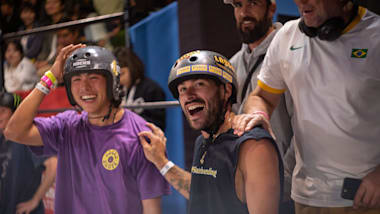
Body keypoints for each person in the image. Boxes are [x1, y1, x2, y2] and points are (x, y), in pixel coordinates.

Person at [232, 0, 380, 213]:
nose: (300, 2)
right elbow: (262, 96)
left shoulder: (375, 35)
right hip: (307, 198)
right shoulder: (287, 37)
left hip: (367, 197)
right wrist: (258, 114)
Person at [4, 44, 170, 214]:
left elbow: (152, 210)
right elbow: (13, 131)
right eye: (76, 79)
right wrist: (51, 77)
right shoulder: (66, 126)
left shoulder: (140, 135)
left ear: (112, 82)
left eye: (93, 78)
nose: (84, 87)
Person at [139, 50, 283, 214]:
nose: (189, 95)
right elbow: (202, 195)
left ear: (226, 91)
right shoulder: (203, 141)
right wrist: (161, 162)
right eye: (182, 89)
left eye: (200, 84)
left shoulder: (253, 145)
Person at [224, 0, 295, 211]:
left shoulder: (292, 53)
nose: (244, 12)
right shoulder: (232, 65)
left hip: (289, 192)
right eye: (237, 5)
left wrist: (285, 183)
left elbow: (306, 128)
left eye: (252, 3)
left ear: (271, 8)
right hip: (248, 192)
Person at [0, 92, 57, 214]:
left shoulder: (25, 137)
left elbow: (53, 164)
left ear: (15, 113)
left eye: (3, 110)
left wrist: (35, 200)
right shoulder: (2, 139)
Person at [114, 46, 166, 130]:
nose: (119, 79)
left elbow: (158, 125)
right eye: (116, 75)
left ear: (133, 68)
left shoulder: (151, 89)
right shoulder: (118, 90)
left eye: (122, 73)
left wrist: (127, 117)